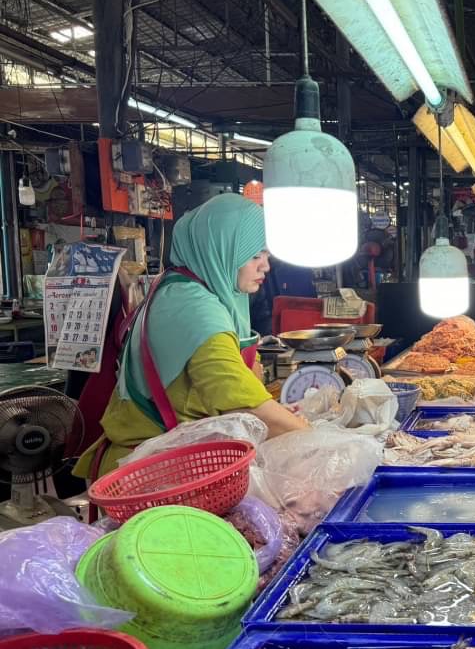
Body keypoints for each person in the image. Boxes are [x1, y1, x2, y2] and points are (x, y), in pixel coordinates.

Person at [74, 194, 308, 479]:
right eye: (255, 255)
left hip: (171, 461)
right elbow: (247, 404)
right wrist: (315, 437)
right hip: (149, 476)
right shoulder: (194, 309)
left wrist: (281, 415)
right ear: (220, 249)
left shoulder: (188, 289)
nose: (266, 266)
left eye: (267, 255)